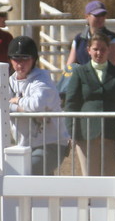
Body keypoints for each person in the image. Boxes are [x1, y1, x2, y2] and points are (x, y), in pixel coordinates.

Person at [64, 32, 115, 176]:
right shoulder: (79, 72)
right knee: (90, 177)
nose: (99, 53)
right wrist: (72, 132)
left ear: (109, 50)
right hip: (85, 133)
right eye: (95, 49)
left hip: (111, 133)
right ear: (88, 50)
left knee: (109, 177)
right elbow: (71, 103)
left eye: (103, 49)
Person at [7, 35, 70, 176]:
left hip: (52, 143)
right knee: (41, 188)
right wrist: (19, 108)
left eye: (25, 58)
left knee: (26, 173)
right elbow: (2, 104)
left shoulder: (42, 79)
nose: (20, 63)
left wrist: (15, 102)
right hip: (24, 145)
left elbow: (37, 104)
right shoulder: (10, 81)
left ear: (34, 59)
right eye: (16, 58)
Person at [61, 0, 115, 100]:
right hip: (80, 88)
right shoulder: (79, 39)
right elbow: (70, 66)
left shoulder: (112, 38)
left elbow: (111, 65)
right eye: (96, 15)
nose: (100, 18)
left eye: (103, 15)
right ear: (87, 16)